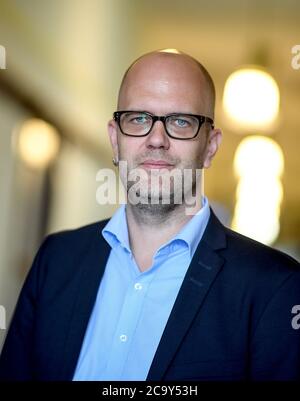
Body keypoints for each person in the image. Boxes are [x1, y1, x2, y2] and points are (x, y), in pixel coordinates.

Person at [0, 49, 299, 381]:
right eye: (139, 118)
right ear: (115, 140)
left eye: (181, 122)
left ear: (210, 147)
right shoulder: (56, 260)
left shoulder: (276, 286)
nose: (157, 139)